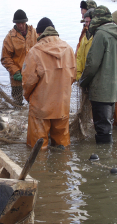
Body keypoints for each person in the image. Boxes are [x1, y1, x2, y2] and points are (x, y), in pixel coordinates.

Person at [22, 18, 76, 150]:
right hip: (62, 106)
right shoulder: (68, 49)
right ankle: (62, 168)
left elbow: (28, 82)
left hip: (41, 108)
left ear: (39, 34)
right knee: (62, 147)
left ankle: (40, 170)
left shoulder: (34, 52)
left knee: (37, 149)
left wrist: (28, 97)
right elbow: (73, 77)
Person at [79, 6, 117, 143]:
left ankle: (103, 158)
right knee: (107, 125)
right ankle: (108, 155)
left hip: (101, 90)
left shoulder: (101, 34)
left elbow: (92, 63)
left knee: (101, 127)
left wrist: (82, 81)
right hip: (115, 90)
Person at [1, 9, 38, 106]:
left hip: (33, 76)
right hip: (17, 79)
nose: (20, 25)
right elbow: (5, 58)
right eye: (18, 23)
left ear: (26, 21)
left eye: (22, 23)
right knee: (17, 103)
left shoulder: (34, 33)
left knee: (35, 101)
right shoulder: (9, 37)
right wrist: (16, 72)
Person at [76, 8, 94, 81]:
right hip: (83, 79)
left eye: (89, 22)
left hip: (92, 80)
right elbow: (79, 57)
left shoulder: (98, 38)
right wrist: (78, 76)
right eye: (86, 22)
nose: (87, 24)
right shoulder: (84, 38)